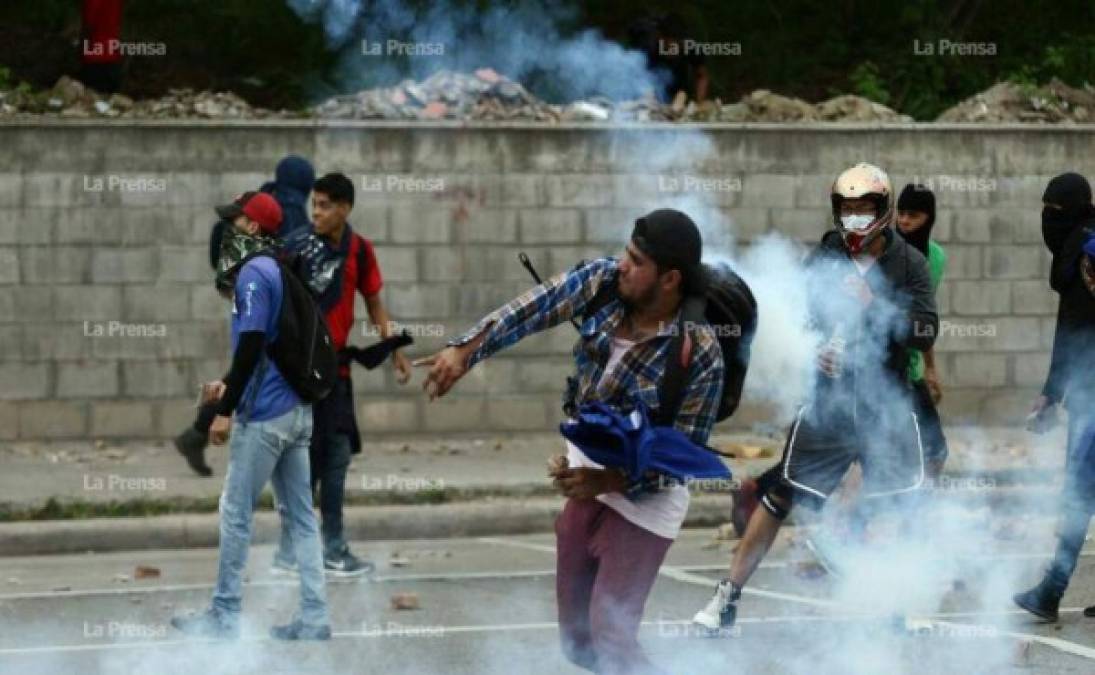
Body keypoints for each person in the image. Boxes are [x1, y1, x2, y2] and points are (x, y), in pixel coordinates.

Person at [417, 209, 725, 675]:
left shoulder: (699, 353)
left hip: (646, 501)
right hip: (587, 483)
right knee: (579, 643)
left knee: (612, 636)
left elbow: (685, 456)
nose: (622, 264)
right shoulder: (603, 283)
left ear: (670, 279)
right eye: (626, 252)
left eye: (637, 261)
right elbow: (535, 306)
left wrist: (609, 479)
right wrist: (465, 351)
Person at [692, 163, 938, 633]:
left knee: (895, 504)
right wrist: (815, 350)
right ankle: (727, 595)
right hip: (828, 403)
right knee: (781, 493)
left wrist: (877, 306)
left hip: (885, 403)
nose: (855, 218)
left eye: (864, 209)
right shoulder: (825, 255)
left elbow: (927, 331)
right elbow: (797, 315)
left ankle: (892, 606)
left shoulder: (910, 264)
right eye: (847, 209)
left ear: (882, 211)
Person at [171, 191, 330, 640]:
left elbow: (253, 343)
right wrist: (229, 387)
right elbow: (261, 352)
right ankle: (316, 618)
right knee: (300, 516)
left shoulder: (254, 275)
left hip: (266, 418)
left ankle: (223, 616)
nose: (229, 230)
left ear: (253, 228)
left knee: (235, 511)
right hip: (298, 413)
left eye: (235, 222)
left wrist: (226, 411)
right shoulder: (275, 268)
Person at [271, 172, 412, 577]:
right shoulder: (295, 248)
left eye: (325, 205)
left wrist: (395, 352)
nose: (316, 212)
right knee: (313, 460)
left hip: (337, 374)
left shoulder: (360, 251)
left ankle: (312, 548)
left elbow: (375, 306)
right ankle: (318, 549)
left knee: (332, 457)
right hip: (300, 375)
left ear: (345, 208)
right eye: (314, 204)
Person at [175, 154, 317, 476]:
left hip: (247, 290)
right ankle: (205, 430)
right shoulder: (290, 211)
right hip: (269, 301)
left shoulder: (263, 197)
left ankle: (197, 432)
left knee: (251, 360)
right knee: (255, 363)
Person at [1013, 172, 1095, 621]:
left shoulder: (1085, 255)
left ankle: (1052, 590)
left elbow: (1076, 333)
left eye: (1055, 211)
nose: (1048, 220)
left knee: (1079, 494)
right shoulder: (1082, 247)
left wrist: (1051, 393)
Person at [895, 184, 949, 479]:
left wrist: (930, 368)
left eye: (912, 215)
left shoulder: (935, 258)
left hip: (912, 370)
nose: (904, 221)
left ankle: (920, 520)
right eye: (900, 213)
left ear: (928, 218)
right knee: (872, 456)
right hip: (881, 369)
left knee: (935, 452)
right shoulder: (884, 250)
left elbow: (924, 317)